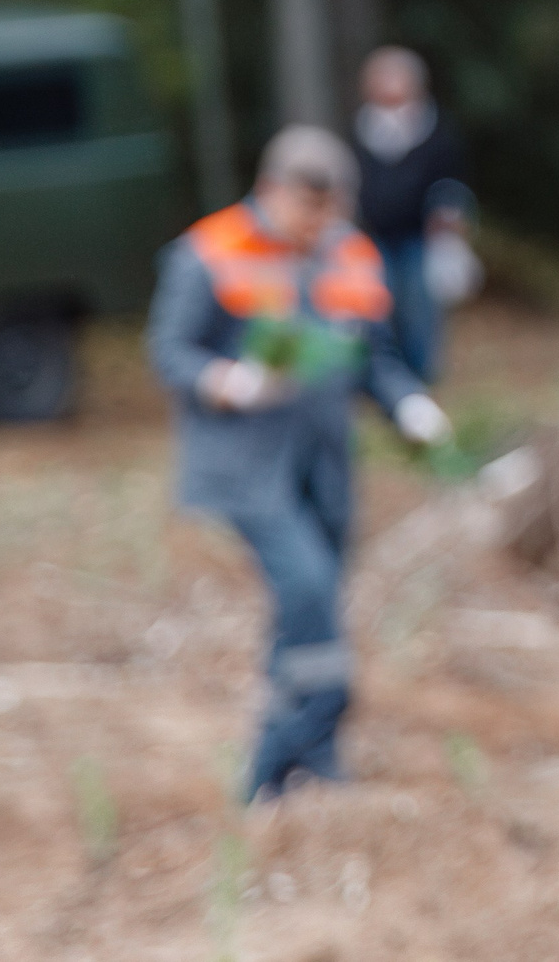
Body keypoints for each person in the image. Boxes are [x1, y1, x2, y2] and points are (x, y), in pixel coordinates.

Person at [147, 126, 453, 801]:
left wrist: (407, 404)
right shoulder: (210, 252)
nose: (318, 226)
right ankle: (277, 756)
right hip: (244, 466)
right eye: (307, 209)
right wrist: (227, 380)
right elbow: (169, 350)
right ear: (272, 191)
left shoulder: (348, 253)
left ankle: (311, 759)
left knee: (310, 608)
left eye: (330, 210)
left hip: (324, 460)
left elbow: (373, 354)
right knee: (308, 588)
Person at [350, 45, 476, 382]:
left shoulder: (435, 129)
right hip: (372, 237)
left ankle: (421, 377)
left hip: (420, 238)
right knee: (375, 307)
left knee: (418, 308)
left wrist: (450, 214)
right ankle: (384, 375)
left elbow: (452, 182)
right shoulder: (360, 129)